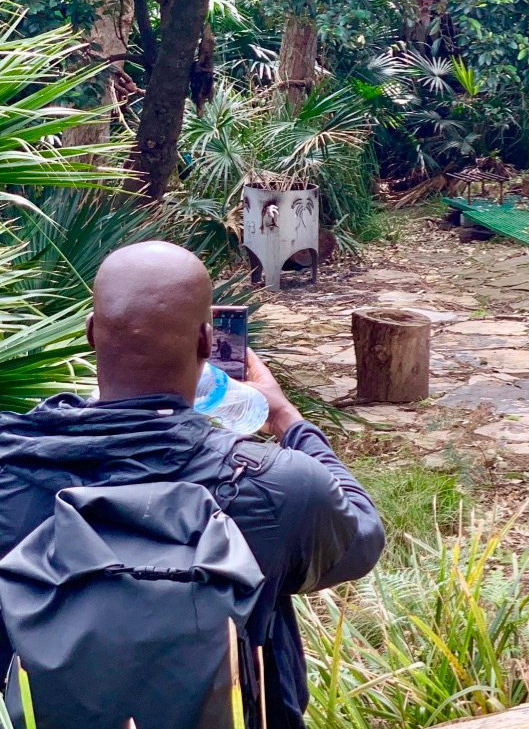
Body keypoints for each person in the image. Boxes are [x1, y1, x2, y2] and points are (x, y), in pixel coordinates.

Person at [0, 241, 384, 729]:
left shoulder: (11, 465)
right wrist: (285, 417)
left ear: (92, 333)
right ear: (206, 343)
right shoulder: (279, 486)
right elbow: (362, 535)